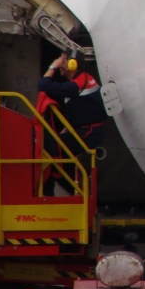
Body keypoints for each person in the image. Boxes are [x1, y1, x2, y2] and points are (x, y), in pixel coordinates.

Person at [37, 51, 107, 196]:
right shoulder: (78, 82)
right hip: (84, 131)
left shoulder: (78, 84)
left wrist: (53, 66)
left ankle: (46, 195)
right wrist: (64, 130)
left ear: (72, 64)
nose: (60, 65)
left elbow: (43, 85)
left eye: (63, 61)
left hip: (88, 133)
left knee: (49, 151)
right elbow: (79, 111)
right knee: (50, 147)